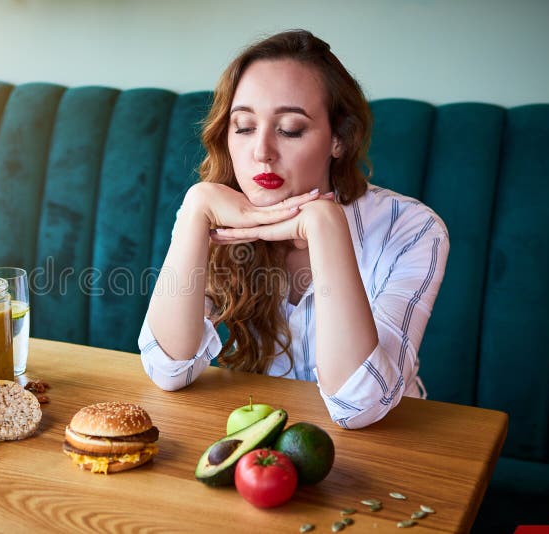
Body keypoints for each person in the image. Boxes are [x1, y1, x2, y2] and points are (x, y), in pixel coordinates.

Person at [138, 29, 449, 429]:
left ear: (339, 138)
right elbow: (167, 368)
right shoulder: (213, 210)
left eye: (289, 129)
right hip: (262, 441)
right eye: (245, 126)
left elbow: (359, 407)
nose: (261, 152)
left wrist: (325, 226)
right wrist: (196, 206)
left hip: (391, 449)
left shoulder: (413, 230)